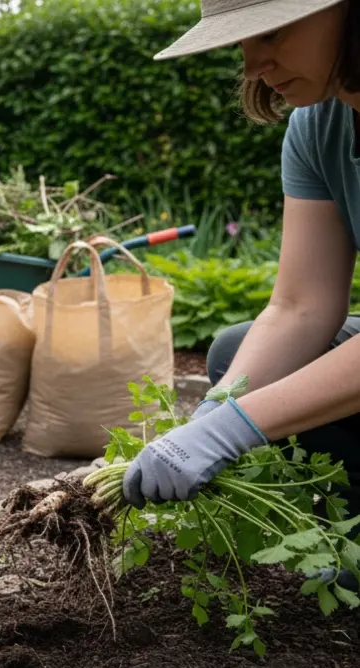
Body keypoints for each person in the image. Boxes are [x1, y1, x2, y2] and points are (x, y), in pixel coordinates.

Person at [121, 0, 360, 587]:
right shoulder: (319, 127)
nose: (252, 65)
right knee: (236, 357)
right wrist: (216, 410)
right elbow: (301, 306)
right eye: (243, 41)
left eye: (272, 32)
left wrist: (233, 430)